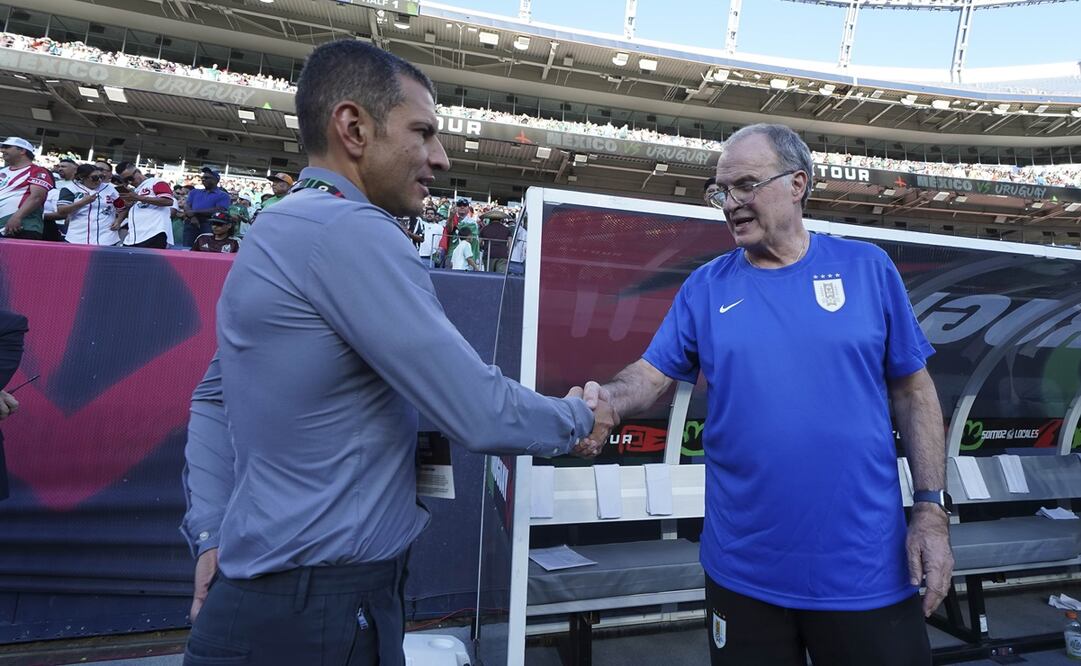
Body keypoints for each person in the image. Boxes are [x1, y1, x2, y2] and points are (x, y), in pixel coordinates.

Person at [180, 40, 614, 666]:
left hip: (266, 605)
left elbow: (211, 399)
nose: (440, 158)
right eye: (423, 132)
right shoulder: (349, 230)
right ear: (354, 128)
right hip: (321, 618)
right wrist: (578, 419)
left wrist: (210, 532)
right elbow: (479, 410)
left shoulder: (280, 226)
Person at [576, 123, 953, 666]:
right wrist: (608, 401)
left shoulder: (868, 269)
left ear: (797, 183)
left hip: (866, 571)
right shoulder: (706, 286)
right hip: (743, 574)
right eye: (721, 192)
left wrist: (930, 512)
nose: (730, 204)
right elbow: (652, 375)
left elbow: (916, 393)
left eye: (745, 185)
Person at [0, 137, 54, 240]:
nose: (2, 150)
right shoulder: (3, 171)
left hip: (22, 228)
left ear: (22, 151)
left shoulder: (38, 171)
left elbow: (37, 197)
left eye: (7, 147)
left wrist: (17, 217)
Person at [57, 163, 122, 246]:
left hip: (107, 238)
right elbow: (61, 211)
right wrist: (83, 202)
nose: (99, 180)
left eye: (101, 177)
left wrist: (119, 220)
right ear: (82, 177)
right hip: (78, 237)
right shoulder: (70, 188)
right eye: (94, 178)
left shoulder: (109, 189)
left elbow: (122, 207)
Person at [114, 162, 175, 249]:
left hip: (154, 234)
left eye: (130, 178)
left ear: (138, 171)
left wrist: (138, 198)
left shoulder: (156, 182)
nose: (130, 182)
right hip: (134, 236)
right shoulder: (135, 190)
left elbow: (168, 201)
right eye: (126, 180)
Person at [182, 168, 231, 248]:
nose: (203, 179)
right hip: (191, 222)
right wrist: (192, 217)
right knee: (187, 248)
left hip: (209, 224)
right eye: (203, 178)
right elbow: (187, 206)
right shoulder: (194, 192)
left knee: (206, 249)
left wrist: (195, 212)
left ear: (216, 180)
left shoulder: (223, 195)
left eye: (207, 178)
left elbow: (219, 210)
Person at [44, 157, 78, 240]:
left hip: (67, 224)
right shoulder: (54, 184)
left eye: (63, 167)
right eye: (59, 167)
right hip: (50, 224)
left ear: (75, 169)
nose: (60, 169)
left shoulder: (79, 185)